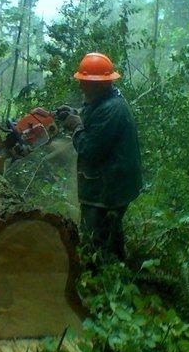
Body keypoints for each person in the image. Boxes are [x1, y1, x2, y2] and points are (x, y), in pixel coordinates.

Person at [59, 52, 142, 263]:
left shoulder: (111, 110)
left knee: (94, 240)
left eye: (85, 82)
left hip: (107, 190)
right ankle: (121, 271)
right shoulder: (106, 100)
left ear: (98, 84)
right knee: (112, 235)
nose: (81, 87)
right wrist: (74, 113)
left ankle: (96, 281)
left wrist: (76, 127)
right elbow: (91, 117)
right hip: (113, 185)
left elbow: (89, 149)